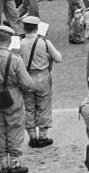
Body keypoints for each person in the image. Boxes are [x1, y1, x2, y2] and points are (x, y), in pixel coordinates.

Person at [0, 24, 34, 173]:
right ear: (10, 41)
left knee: (0, 129)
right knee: (14, 129)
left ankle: (3, 165)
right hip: (13, 96)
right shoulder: (15, 59)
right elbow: (27, 83)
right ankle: (14, 163)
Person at [20, 15, 61, 149]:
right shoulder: (45, 43)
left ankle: (32, 137)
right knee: (44, 105)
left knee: (29, 107)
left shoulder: (20, 43)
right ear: (37, 28)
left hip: (26, 76)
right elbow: (58, 58)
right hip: (42, 76)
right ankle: (43, 135)